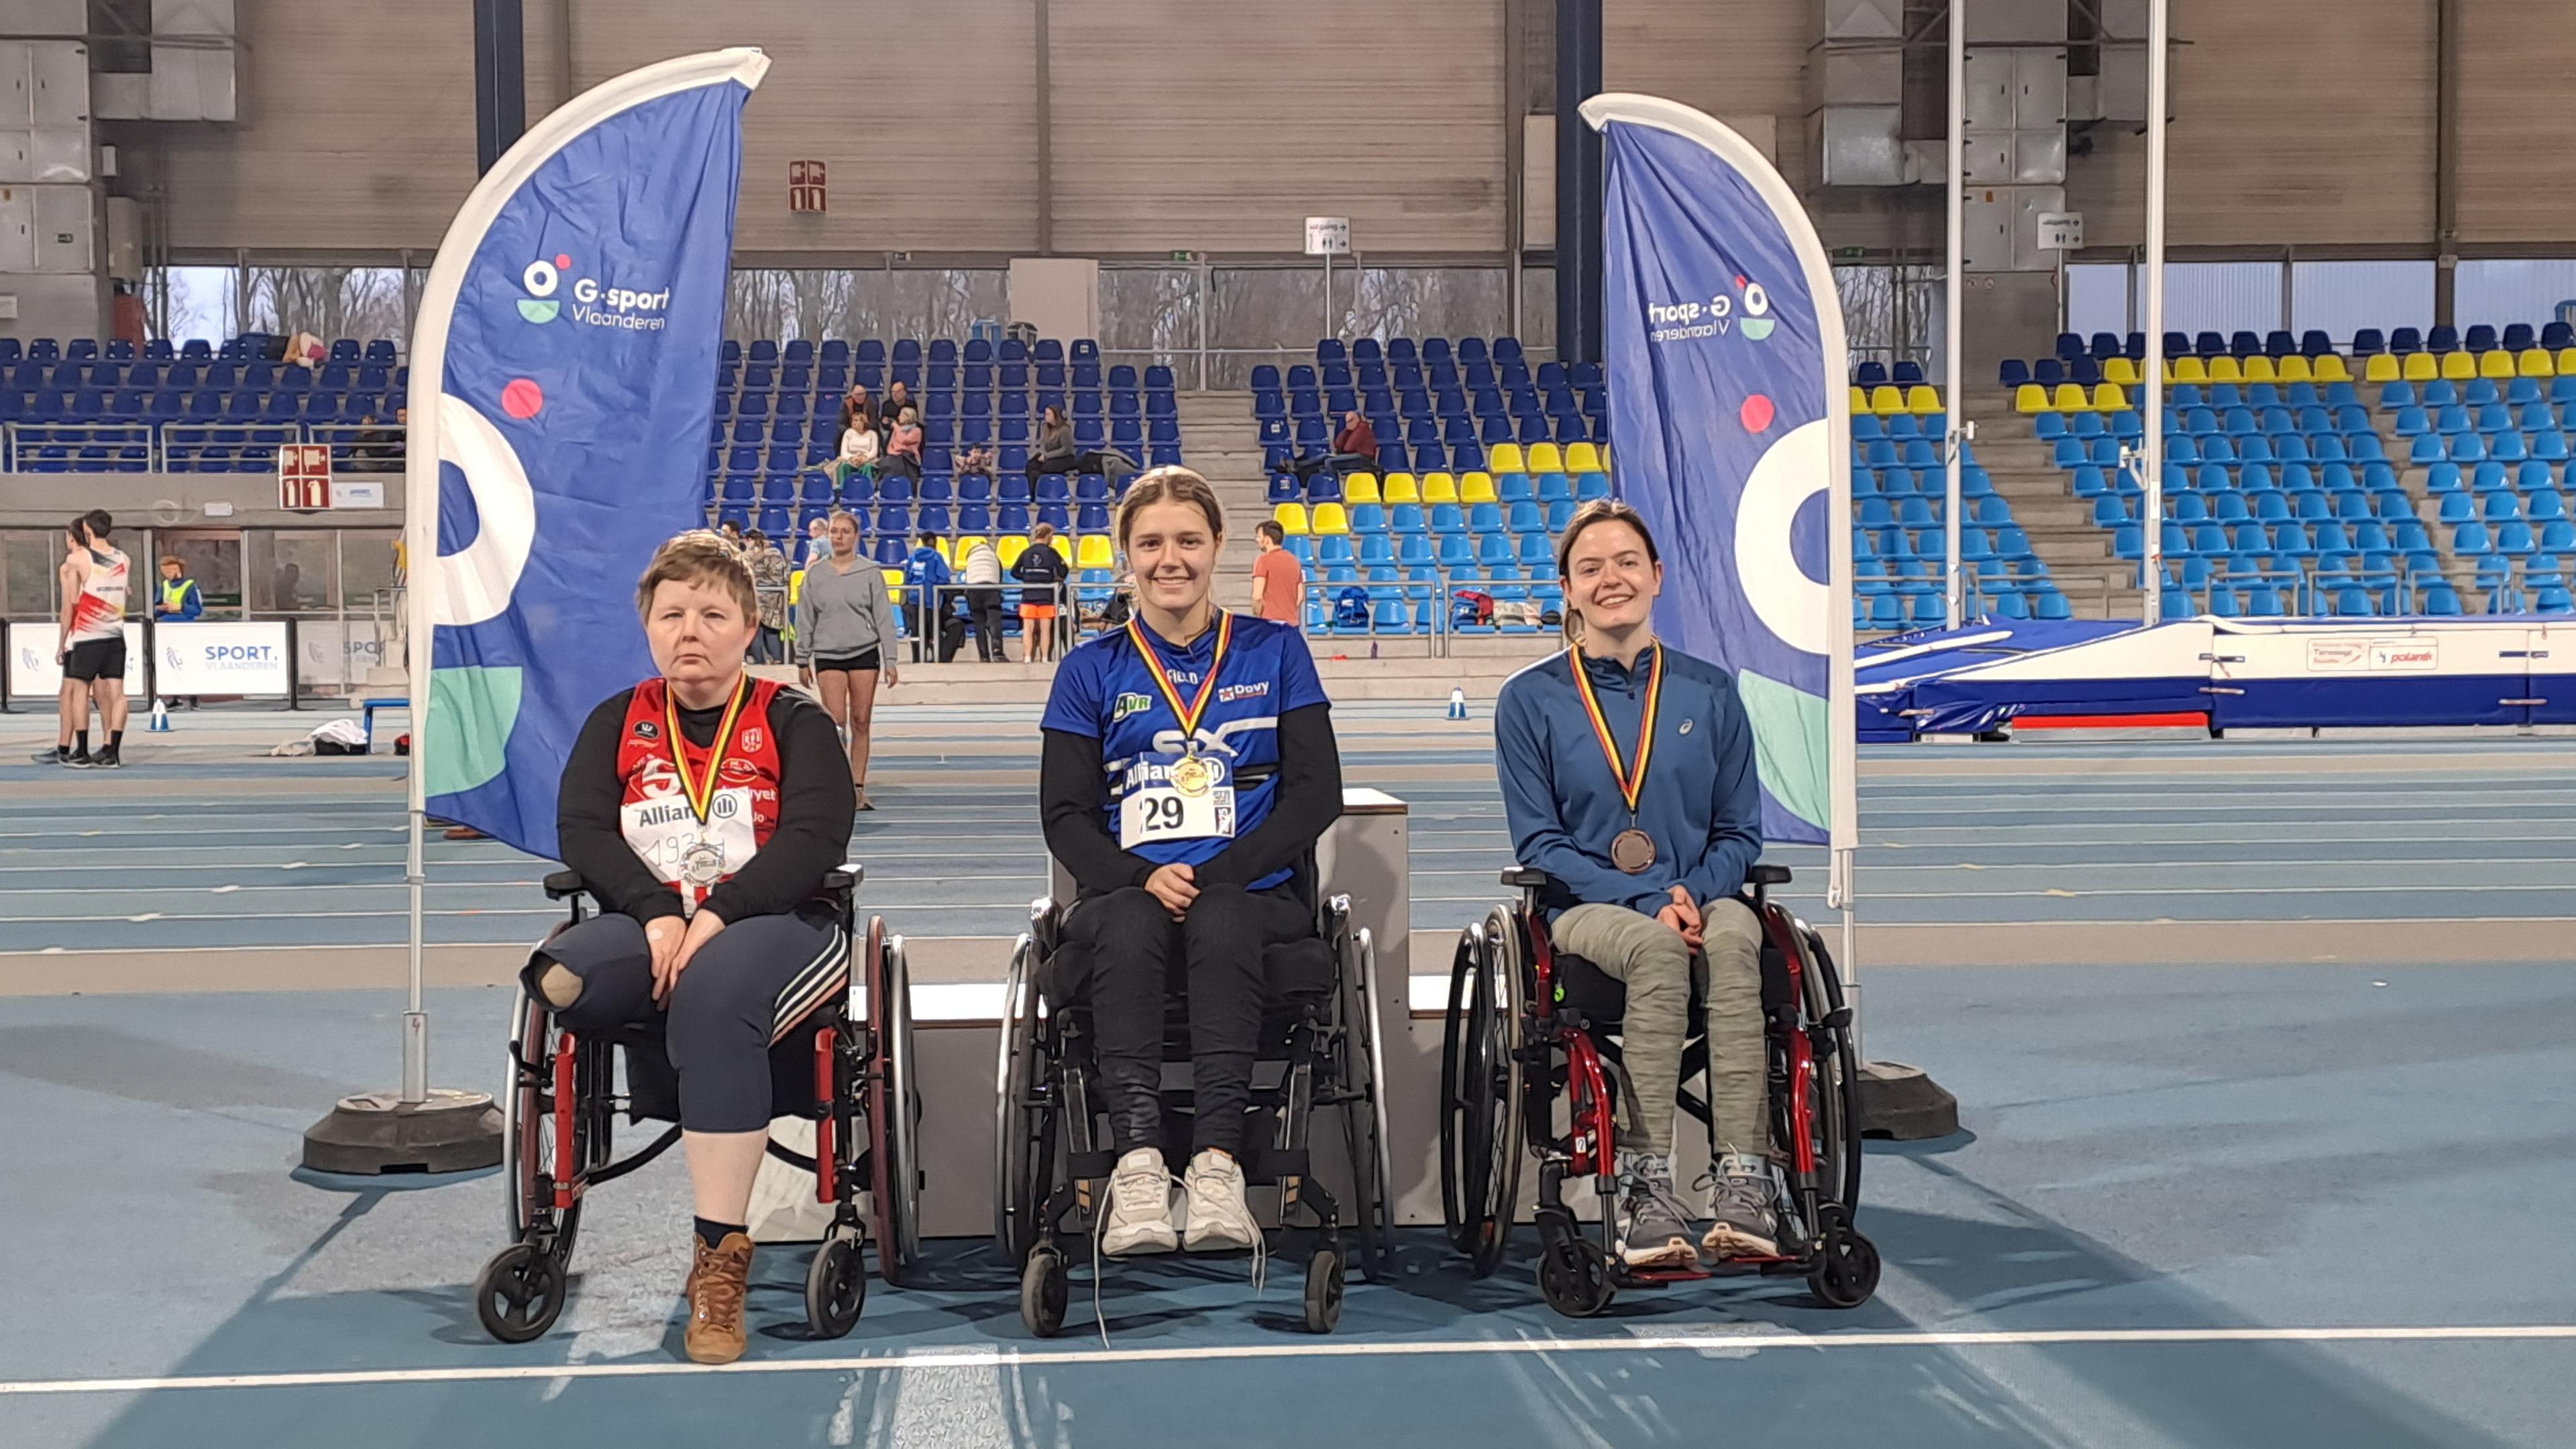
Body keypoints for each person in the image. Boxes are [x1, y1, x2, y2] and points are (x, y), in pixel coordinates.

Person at [535, 531, 855, 1364]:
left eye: (713, 614)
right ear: (647, 624)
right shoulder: (619, 719)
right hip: (648, 922)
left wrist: (715, 913)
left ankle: (719, 1259)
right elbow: (583, 828)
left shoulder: (795, 719)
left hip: (774, 925)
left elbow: (818, 835)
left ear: (750, 627)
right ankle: (553, 1208)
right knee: (563, 975)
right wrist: (653, 911)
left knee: (714, 992)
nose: (691, 630)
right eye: (672, 613)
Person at [1037, 467, 1344, 1258]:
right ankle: (1139, 1166)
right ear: (1125, 556)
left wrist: (1220, 874)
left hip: (1252, 891)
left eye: (1187, 541)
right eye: (1150, 544)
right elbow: (1064, 816)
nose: (1169, 559)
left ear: (1217, 548)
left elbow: (1316, 795)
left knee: (1221, 912)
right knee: (1137, 919)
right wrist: (1140, 876)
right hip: (1124, 892)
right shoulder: (1090, 669)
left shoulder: (1276, 651)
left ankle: (1217, 1164)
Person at [1493, 499, 1775, 1271]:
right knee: (1657, 951)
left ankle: (1745, 1181)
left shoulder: (1712, 691)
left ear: (1656, 576)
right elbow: (1540, 842)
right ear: (1568, 590)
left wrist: (1687, 894)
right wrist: (1651, 901)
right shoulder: (1529, 700)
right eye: (1590, 568)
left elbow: (1739, 833)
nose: (1610, 578)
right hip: (1586, 909)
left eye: (1626, 563)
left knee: (1737, 940)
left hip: (1705, 895)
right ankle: (1648, 1187)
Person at [797, 510, 900, 811]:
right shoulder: (816, 574)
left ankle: (857, 787)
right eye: (834, 532)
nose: (838, 536)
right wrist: (802, 657)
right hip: (828, 653)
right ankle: (838, 785)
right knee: (836, 724)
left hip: (864, 652)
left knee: (861, 720)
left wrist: (890, 658)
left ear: (856, 536)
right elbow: (806, 618)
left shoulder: (870, 572)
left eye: (845, 531)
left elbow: (883, 617)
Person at [36, 511, 129, 768]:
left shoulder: (76, 560)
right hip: (115, 636)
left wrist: (61, 642)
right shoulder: (124, 558)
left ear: (87, 531)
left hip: (88, 636)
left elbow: (71, 605)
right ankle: (112, 752)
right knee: (117, 695)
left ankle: (82, 751)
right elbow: (123, 590)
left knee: (79, 692)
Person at [1010, 522, 1069, 663]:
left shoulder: (1027, 552)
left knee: (1028, 628)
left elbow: (1014, 571)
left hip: (1029, 594)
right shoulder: (1051, 552)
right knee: (1045, 628)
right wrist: (1053, 578)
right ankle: (1044, 658)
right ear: (1049, 535)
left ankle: (1028, 658)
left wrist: (1027, 578)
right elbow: (1064, 571)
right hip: (1046, 595)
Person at [152, 555, 205, 711]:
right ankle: (174, 697)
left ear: (177, 569)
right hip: (166, 631)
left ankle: (193, 696)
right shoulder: (164, 586)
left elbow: (197, 609)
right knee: (169, 664)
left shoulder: (191, 585)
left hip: (185, 629)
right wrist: (159, 609)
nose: (166, 576)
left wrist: (180, 607)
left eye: (168, 572)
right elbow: (156, 609)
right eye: (164, 572)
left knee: (188, 663)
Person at [901, 531, 951, 664]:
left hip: (914, 598)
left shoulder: (912, 558)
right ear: (931, 542)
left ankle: (917, 658)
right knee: (933, 631)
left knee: (916, 630)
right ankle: (935, 658)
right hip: (931, 600)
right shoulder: (936, 557)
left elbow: (907, 577)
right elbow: (944, 577)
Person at [743, 529, 790, 664]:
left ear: (749, 540)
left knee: (757, 630)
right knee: (772, 629)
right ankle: (777, 659)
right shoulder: (775, 553)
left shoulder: (747, 555)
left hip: (756, 596)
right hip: (775, 596)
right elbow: (785, 573)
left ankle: (760, 662)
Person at [957, 535, 1006, 662]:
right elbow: (1000, 575)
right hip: (991, 588)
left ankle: (984, 655)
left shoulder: (971, 559)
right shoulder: (994, 556)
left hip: (974, 590)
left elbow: (967, 577)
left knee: (979, 623)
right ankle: (997, 650)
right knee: (994, 620)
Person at [1290, 411, 1377, 480]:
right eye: (1347, 422)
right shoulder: (1351, 430)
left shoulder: (1363, 428)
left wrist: (1348, 433)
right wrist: (1347, 431)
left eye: (1350, 421)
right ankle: (1298, 465)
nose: (1348, 424)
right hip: (1351, 456)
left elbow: (1348, 448)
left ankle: (1334, 484)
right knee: (1324, 456)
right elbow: (1337, 444)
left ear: (1357, 420)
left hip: (1363, 458)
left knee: (1329, 462)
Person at [1248, 519, 1305, 626]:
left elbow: (1257, 596)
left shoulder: (1262, 560)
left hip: (1270, 624)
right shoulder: (1294, 561)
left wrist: (1258, 615)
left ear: (1267, 540)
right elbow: (1300, 597)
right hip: (1292, 624)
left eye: (1259, 536)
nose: (1256, 540)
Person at [881, 407, 924, 482]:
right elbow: (890, 447)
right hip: (894, 457)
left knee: (901, 461)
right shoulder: (897, 430)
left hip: (909, 458)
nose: (898, 417)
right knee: (888, 461)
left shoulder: (916, 431)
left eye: (901, 415)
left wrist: (897, 427)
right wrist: (896, 453)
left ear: (908, 417)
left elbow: (904, 440)